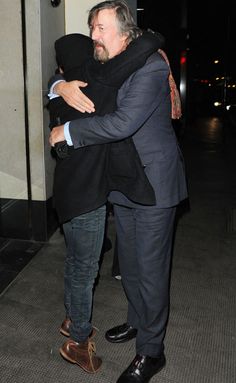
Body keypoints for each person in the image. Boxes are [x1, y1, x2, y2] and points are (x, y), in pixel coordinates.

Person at [49, 1, 188, 382]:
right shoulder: (108, 62)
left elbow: (123, 123)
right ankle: (136, 322)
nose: (93, 35)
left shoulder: (150, 65)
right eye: (92, 26)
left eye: (101, 28)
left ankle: (151, 351)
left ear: (125, 33)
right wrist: (57, 85)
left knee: (150, 269)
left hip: (154, 181)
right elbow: (69, 74)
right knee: (128, 263)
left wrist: (69, 132)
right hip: (124, 181)